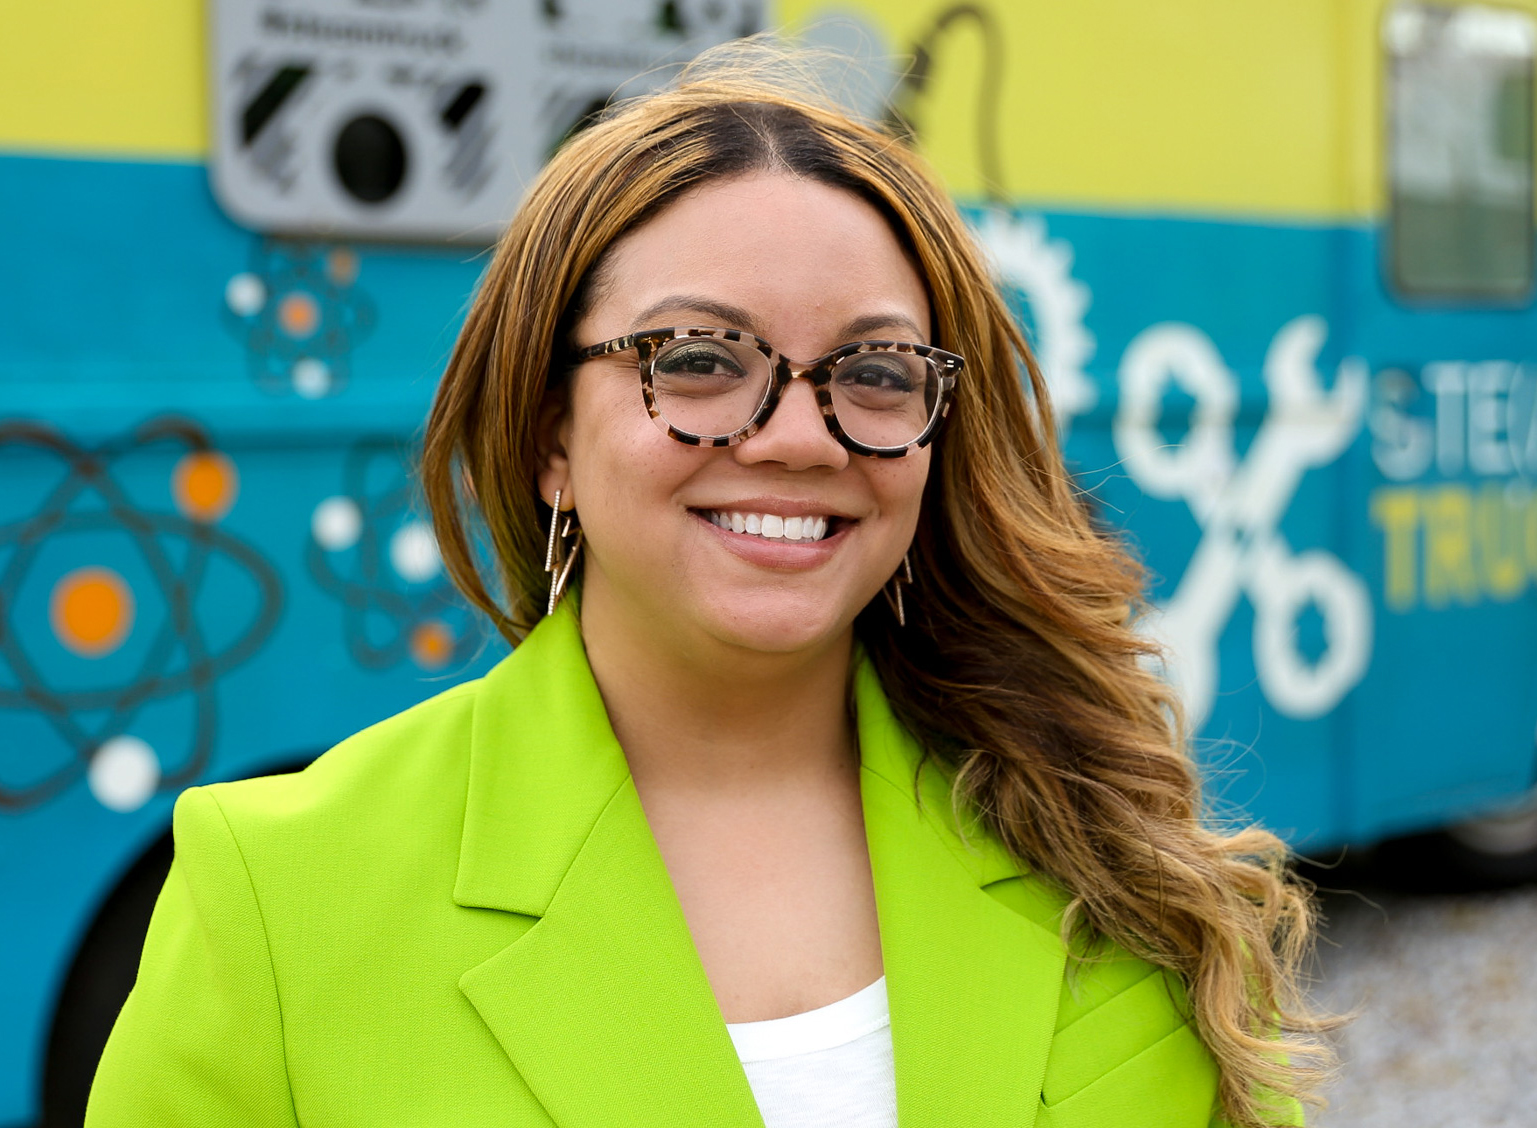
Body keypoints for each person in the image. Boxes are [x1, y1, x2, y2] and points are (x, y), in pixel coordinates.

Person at [87, 50, 1331, 1128]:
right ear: (546, 438)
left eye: (878, 372)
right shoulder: (278, 897)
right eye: (694, 360)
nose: (801, 436)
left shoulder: (1100, 840)